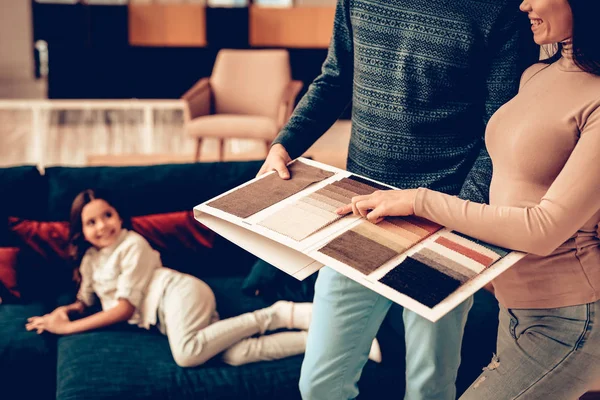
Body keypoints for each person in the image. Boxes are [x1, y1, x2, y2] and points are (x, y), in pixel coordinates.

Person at [258, 0, 538, 399]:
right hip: (357, 212)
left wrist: (460, 217)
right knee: (319, 385)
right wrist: (286, 143)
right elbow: (336, 78)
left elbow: (498, 132)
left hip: (441, 224)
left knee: (429, 388)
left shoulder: (501, 11)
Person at [338, 0, 600, 398]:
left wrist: (421, 202)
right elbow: (511, 187)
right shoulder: (534, 75)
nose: (524, 3)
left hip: (568, 318)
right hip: (513, 308)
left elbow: (544, 229)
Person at [25, 189, 382, 367]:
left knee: (188, 354)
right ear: (81, 231)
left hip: (180, 294)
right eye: (92, 222)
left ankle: (278, 313)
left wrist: (68, 330)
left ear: (119, 216)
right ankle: (340, 343)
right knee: (237, 354)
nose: (103, 225)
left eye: (107, 215)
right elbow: (86, 299)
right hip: (168, 316)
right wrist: (65, 312)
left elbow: (123, 308)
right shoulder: (90, 259)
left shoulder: (131, 244)